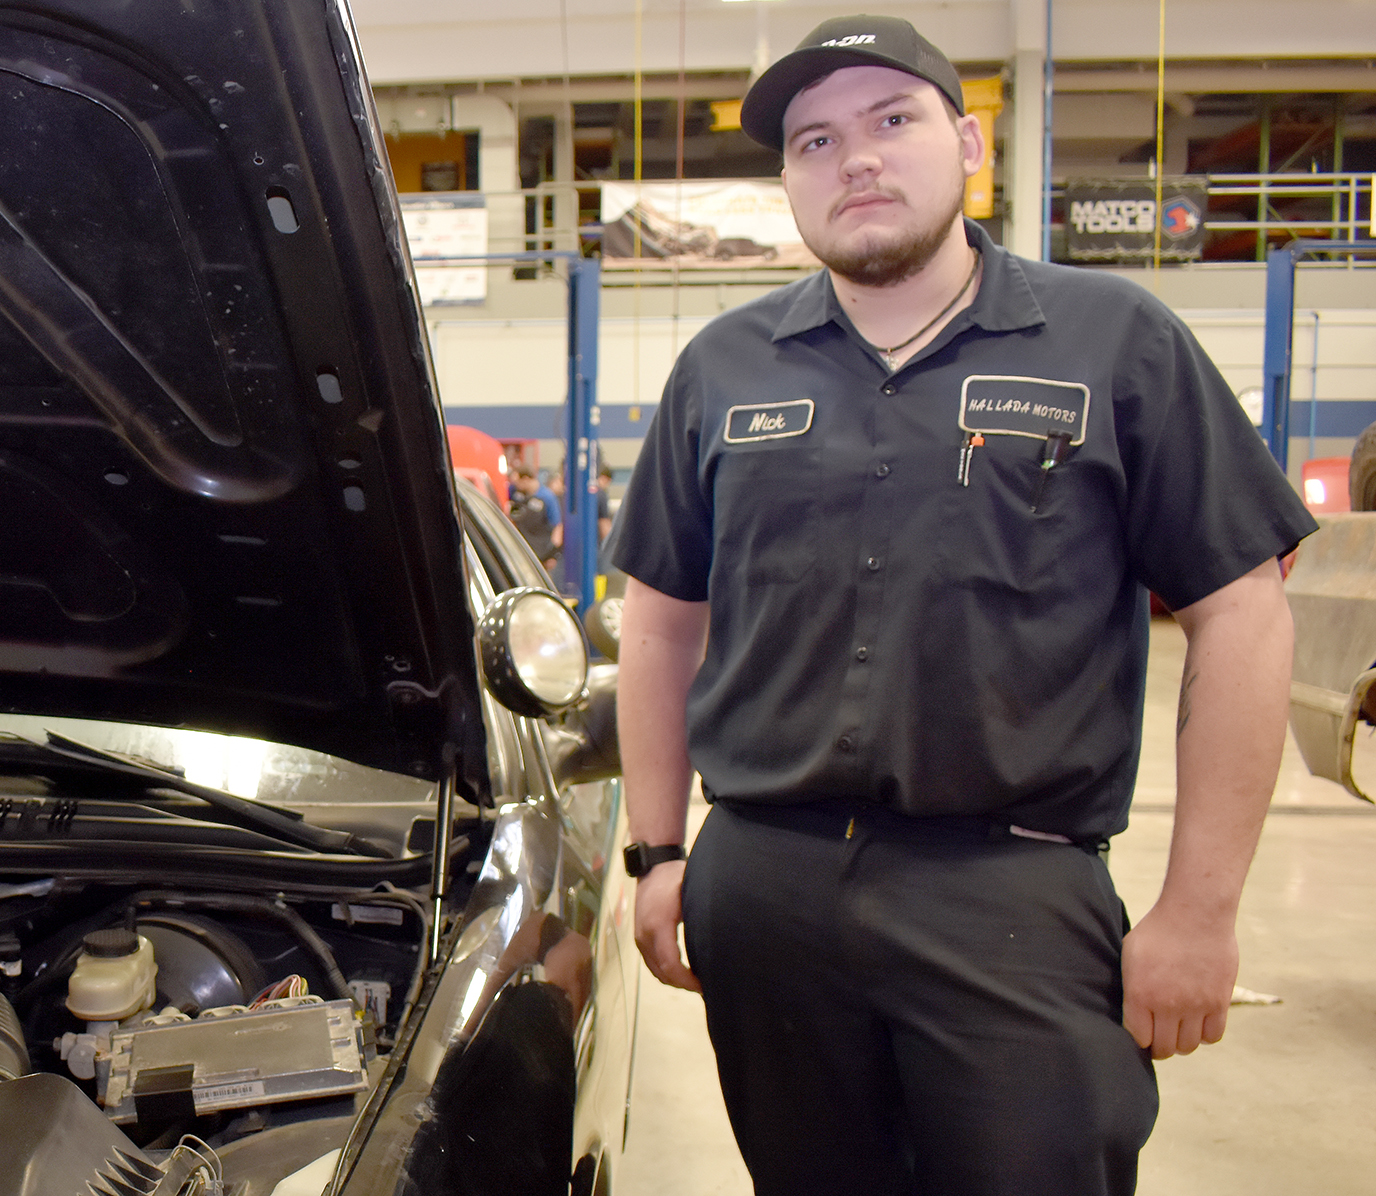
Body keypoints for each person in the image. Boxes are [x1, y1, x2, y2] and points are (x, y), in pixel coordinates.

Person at [604, 14, 1318, 1196]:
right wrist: (659, 848)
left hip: (1011, 898)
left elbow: (1242, 615)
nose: (856, 159)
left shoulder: (1114, 344)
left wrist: (1199, 912)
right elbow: (664, 619)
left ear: (970, 143)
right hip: (765, 893)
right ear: (788, 180)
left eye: (894, 120)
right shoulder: (723, 368)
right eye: (815, 141)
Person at [508, 467, 562, 569]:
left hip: (540, 553)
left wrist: (552, 554)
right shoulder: (515, 493)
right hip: (521, 550)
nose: (515, 485)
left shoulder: (547, 497)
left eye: (517, 482)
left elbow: (557, 526)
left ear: (525, 479)